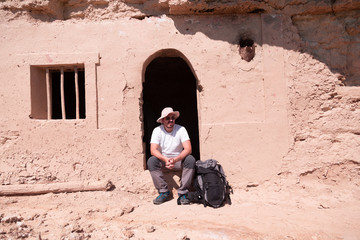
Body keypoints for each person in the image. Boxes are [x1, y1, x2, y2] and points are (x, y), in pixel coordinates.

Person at [147, 107, 196, 205]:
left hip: (178, 160)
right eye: (167, 118)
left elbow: (188, 149)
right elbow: (153, 150)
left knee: (190, 159)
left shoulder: (181, 129)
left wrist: (175, 159)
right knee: (151, 161)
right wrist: (165, 159)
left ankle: (183, 193)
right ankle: (164, 192)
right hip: (163, 161)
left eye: (172, 118)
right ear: (162, 120)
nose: (170, 120)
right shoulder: (157, 130)